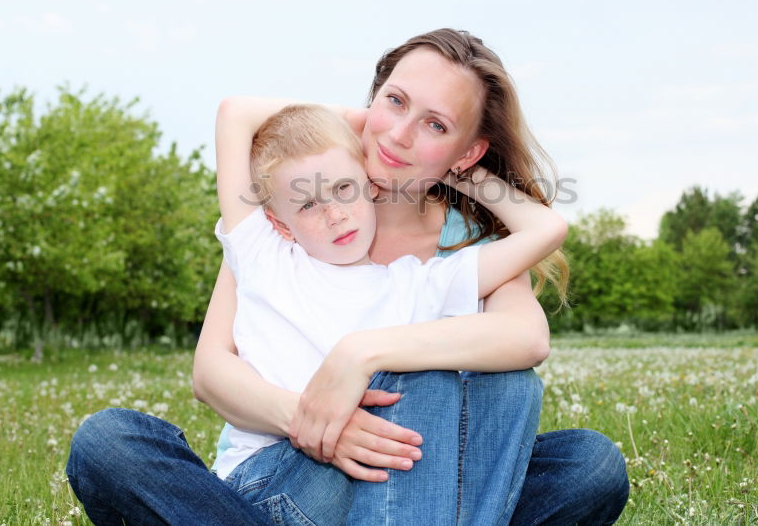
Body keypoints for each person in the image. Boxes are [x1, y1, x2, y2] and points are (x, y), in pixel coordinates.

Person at [67, 28, 630, 525]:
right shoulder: (282, 227)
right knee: (110, 443)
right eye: (394, 101)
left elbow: (526, 339)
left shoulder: (453, 249)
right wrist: (319, 423)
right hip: (292, 472)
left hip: (404, 466)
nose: (401, 135)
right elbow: (211, 372)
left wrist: (358, 354)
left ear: (468, 152)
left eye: (435, 124)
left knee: (585, 462)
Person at [210, 102, 568, 501]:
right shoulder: (263, 257)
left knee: (438, 384)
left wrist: (448, 167)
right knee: (130, 438)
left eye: (344, 189)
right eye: (308, 204)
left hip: (373, 482)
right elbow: (233, 114)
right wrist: (366, 124)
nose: (334, 215)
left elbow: (547, 228)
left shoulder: (415, 282)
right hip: (272, 477)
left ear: (370, 185)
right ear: (280, 224)